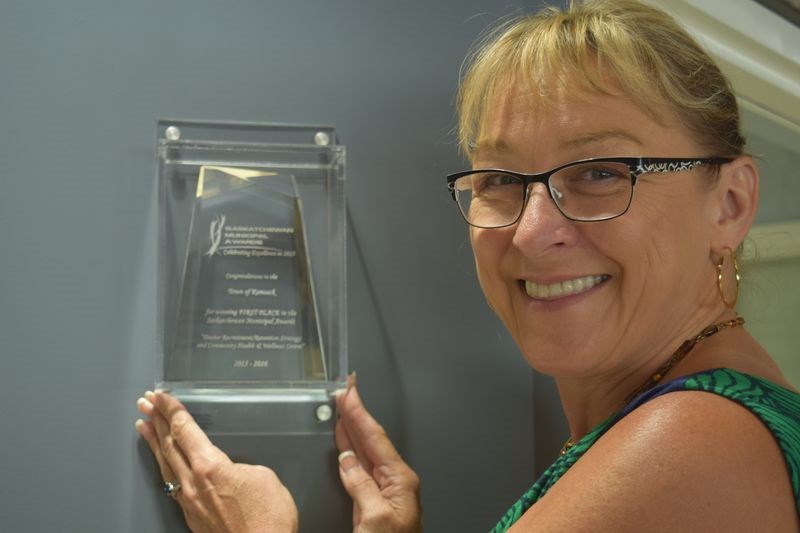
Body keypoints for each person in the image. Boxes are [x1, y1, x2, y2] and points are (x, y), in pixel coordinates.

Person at [136, 0, 800, 530]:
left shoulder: (687, 447)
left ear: (732, 203)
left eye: (602, 171)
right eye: (501, 178)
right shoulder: (700, 420)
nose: (533, 232)